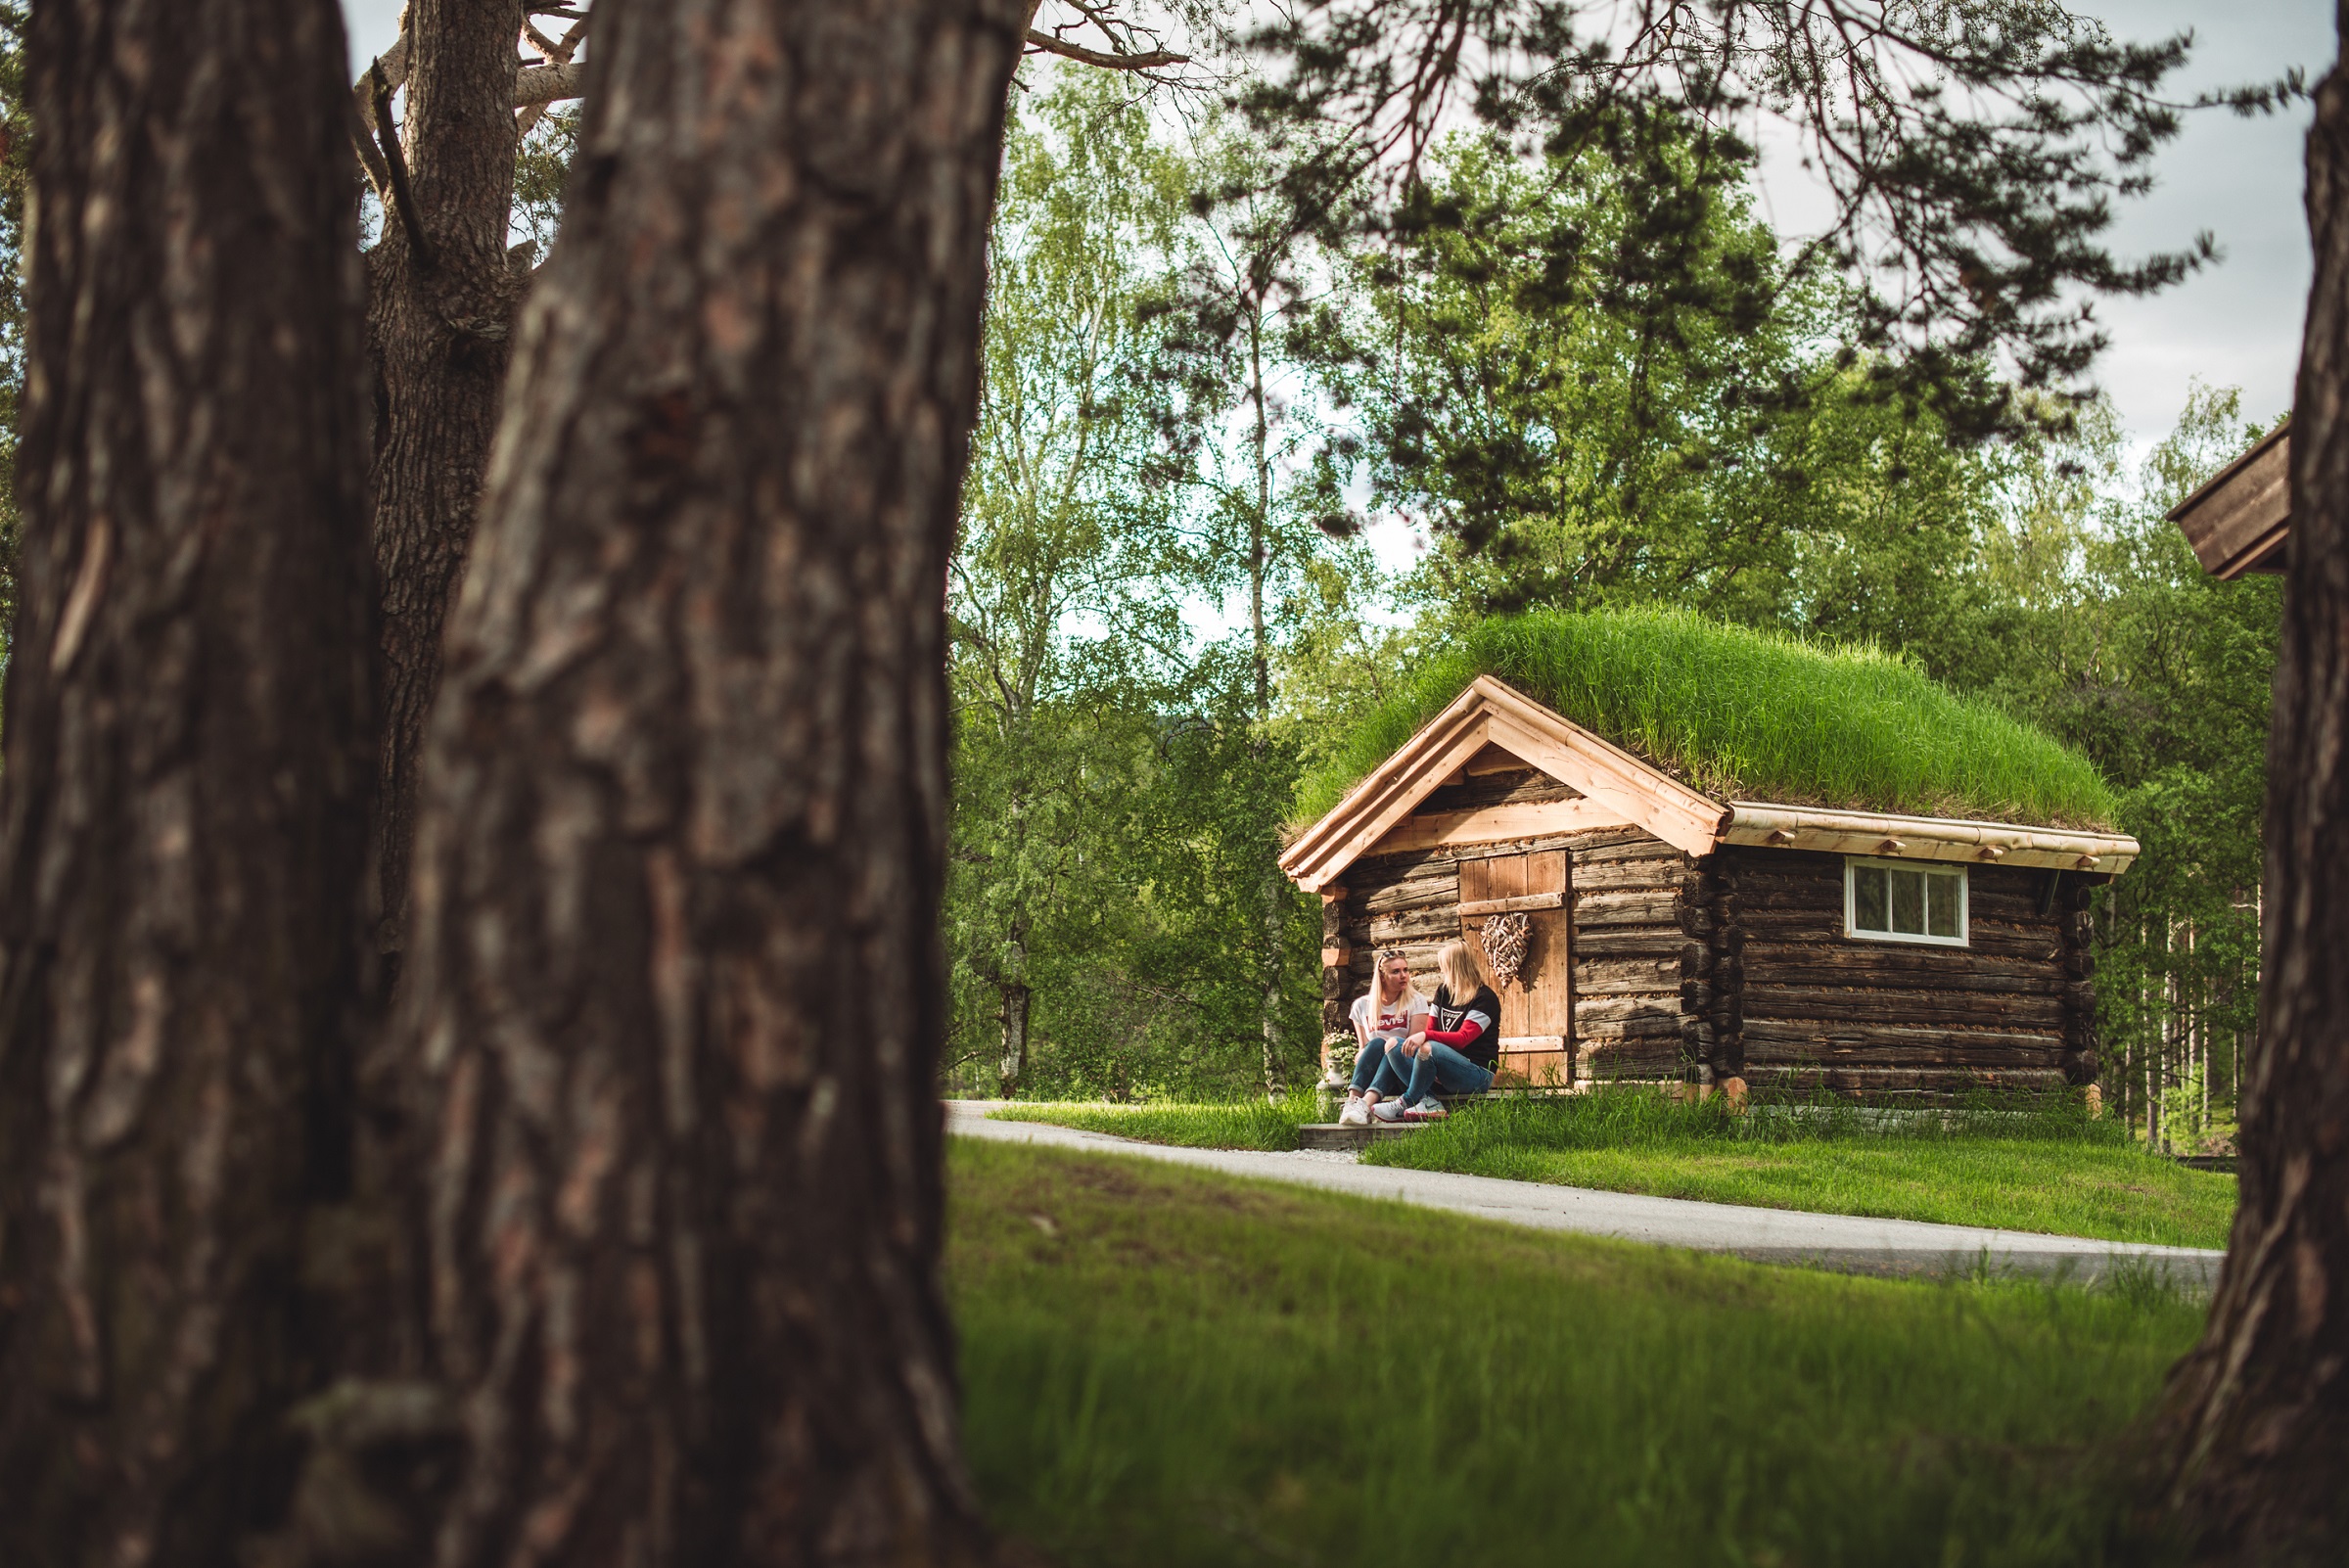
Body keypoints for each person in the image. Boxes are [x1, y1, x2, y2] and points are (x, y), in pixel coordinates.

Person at [1370, 939, 1499, 1124]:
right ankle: (1428, 1100)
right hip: (1441, 1071)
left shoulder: (1485, 998)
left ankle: (1406, 1101)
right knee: (1393, 1045)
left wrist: (1425, 1037)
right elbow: (1431, 1028)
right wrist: (1427, 1048)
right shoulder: (1444, 991)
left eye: (1444, 966)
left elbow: (1462, 1039)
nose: (1442, 971)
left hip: (1476, 1075)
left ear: (1455, 967)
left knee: (1429, 1047)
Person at [1337, 947, 1429, 1129]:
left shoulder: (1416, 1001)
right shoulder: (1362, 1006)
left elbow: (1412, 1049)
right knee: (1378, 1044)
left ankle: (1365, 1104)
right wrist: (1361, 1054)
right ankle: (1353, 1103)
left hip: (1405, 1074)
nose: (1403, 975)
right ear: (1382, 977)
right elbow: (1363, 1049)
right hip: (1375, 1077)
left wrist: (1390, 1048)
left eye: (1405, 970)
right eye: (1396, 971)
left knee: (1391, 1048)